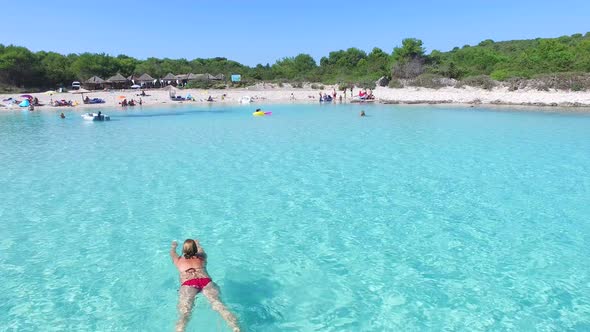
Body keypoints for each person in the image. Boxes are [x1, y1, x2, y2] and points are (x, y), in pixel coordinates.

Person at [171, 239, 240, 332]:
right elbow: (201, 249)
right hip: (206, 281)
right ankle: (236, 328)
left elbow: (172, 253)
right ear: (195, 249)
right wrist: (198, 243)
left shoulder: (178, 260)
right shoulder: (202, 257)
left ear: (183, 250)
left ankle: (180, 330)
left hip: (189, 283)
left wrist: (174, 246)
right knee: (219, 306)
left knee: (185, 313)